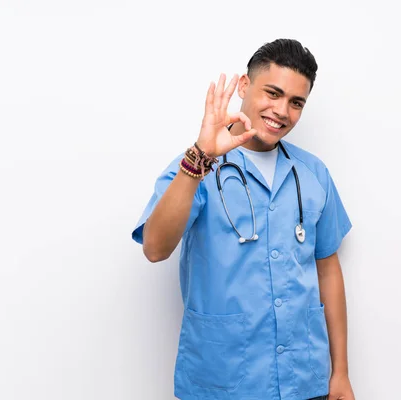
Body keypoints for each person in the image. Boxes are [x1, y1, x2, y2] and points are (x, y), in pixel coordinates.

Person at [132, 38, 355, 400]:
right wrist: (200, 157)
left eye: (296, 102)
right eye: (273, 93)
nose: (282, 111)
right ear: (244, 86)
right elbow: (155, 248)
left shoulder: (313, 173)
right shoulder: (196, 168)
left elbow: (327, 268)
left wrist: (341, 371)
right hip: (223, 381)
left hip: (304, 380)